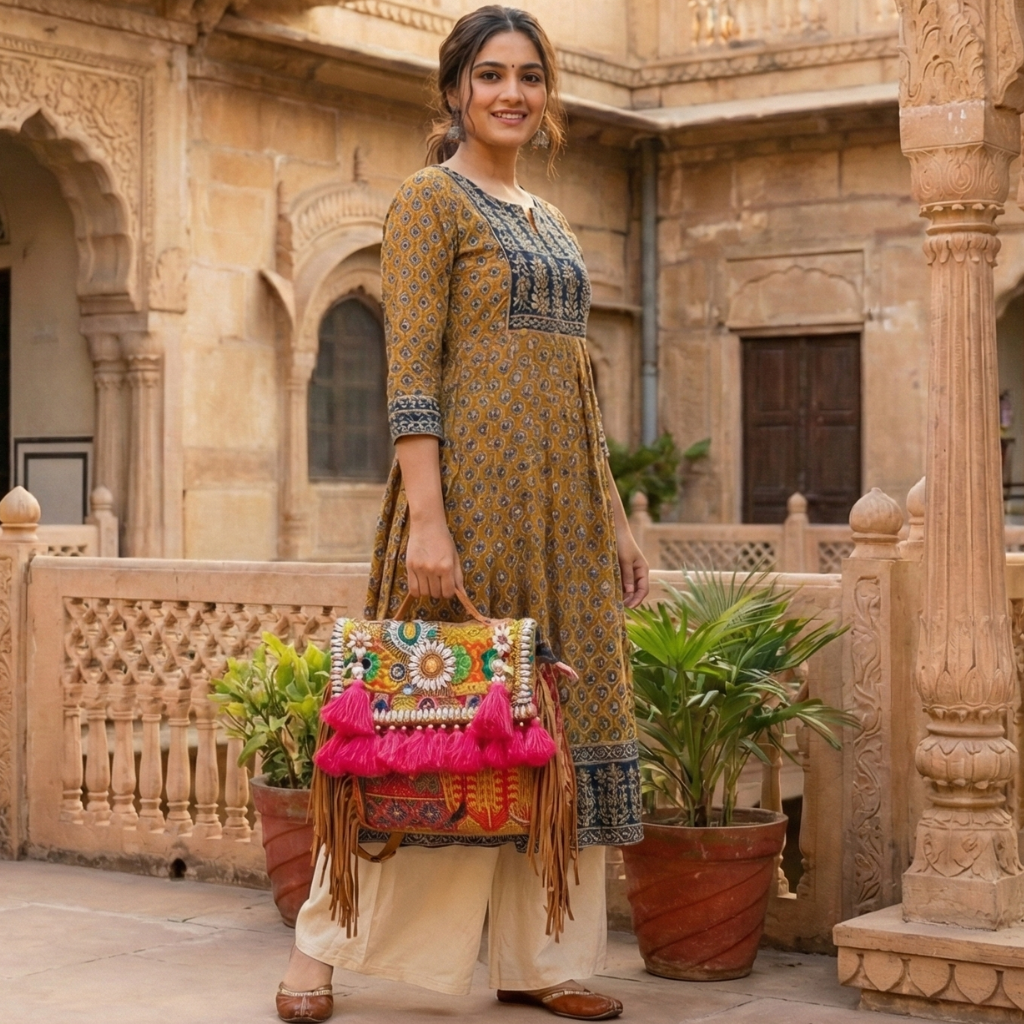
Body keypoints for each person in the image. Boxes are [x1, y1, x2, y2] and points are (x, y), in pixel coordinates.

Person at [277, 7, 648, 1021]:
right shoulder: (428, 204)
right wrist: (429, 521)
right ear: (453, 91)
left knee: (546, 732)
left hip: (564, 517)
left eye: (530, 75)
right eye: (491, 75)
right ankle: (320, 951)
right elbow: (411, 375)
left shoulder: (553, 222)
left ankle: (541, 959)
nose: (512, 93)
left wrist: (613, 519)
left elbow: (580, 385)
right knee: (419, 722)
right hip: (469, 507)